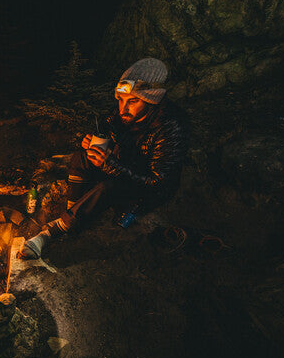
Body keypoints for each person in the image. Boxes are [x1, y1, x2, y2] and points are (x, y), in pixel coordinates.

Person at [20, 57, 188, 259]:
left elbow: (156, 181)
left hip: (150, 190)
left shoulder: (171, 127)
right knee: (81, 158)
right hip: (124, 168)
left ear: (152, 100)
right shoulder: (124, 116)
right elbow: (111, 133)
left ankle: (49, 233)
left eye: (133, 101)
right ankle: (72, 217)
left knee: (106, 188)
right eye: (120, 100)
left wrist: (111, 166)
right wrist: (92, 143)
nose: (123, 109)